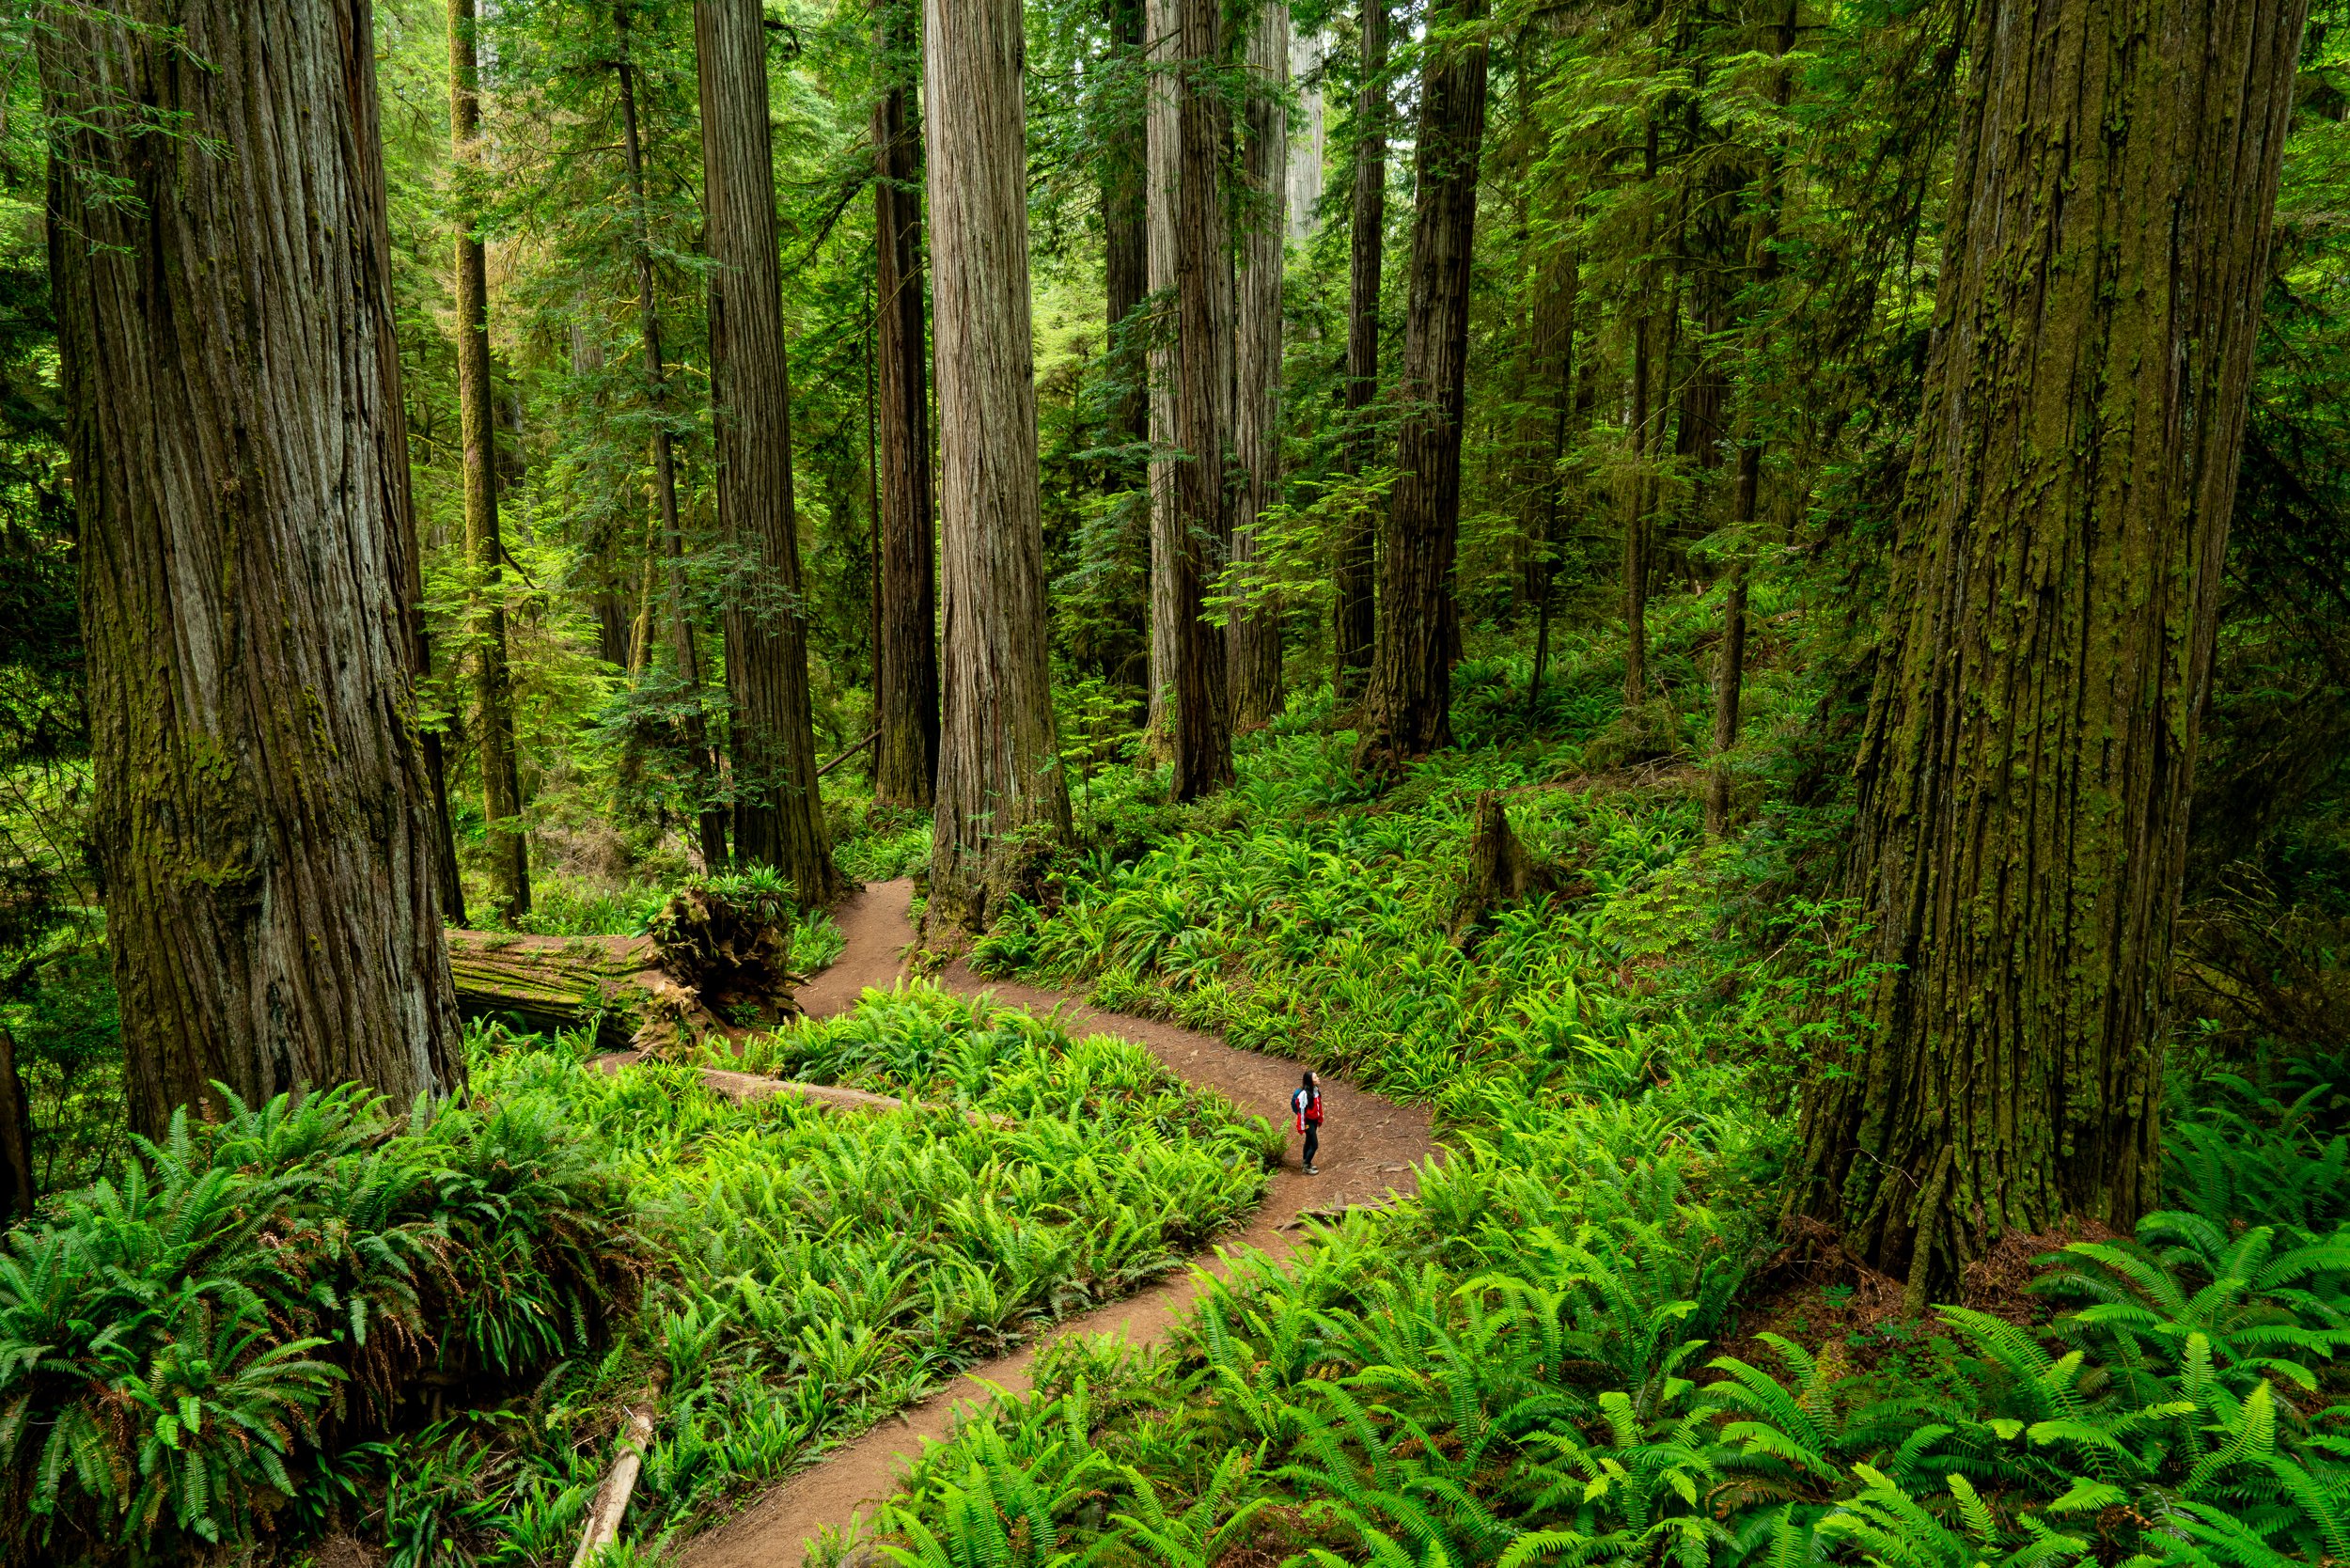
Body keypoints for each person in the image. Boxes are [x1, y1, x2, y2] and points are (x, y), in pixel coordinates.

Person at [1291, 1071, 1324, 1174]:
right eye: (1315, 1077)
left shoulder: (1315, 1090)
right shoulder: (1304, 1094)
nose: (1318, 1078)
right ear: (1310, 1081)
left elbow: (1318, 1106)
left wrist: (1319, 1118)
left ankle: (1306, 1162)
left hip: (1313, 1120)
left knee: (1309, 1141)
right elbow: (1301, 1111)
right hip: (1307, 1122)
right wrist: (1301, 1125)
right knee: (1314, 1145)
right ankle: (1306, 1166)